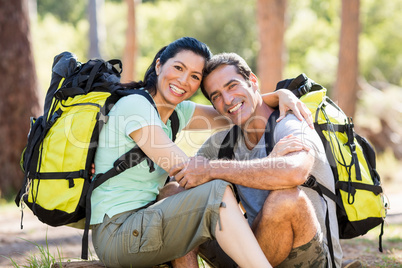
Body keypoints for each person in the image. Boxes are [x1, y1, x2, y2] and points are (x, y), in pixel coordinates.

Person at [90, 37, 312, 268]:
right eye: (178, 68)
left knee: (187, 189)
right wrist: (272, 161)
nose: (184, 80)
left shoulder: (178, 112)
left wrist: (280, 95)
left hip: (142, 226)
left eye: (195, 76)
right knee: (215, 190)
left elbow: (232, 109)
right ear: (158, 66)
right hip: (117, 234)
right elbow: (192, 172)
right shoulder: (135, 106)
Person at [170, 52, 343, 267]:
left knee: (285, 200)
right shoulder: (224, 143)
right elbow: (182, 179)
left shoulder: (290, 123)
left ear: (252, 81)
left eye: (232, 86)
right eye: (216, 96)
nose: (228, 99)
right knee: (175, 196)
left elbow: (295, 172)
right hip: (252, 251)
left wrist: (212, 170)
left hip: (307, 255)